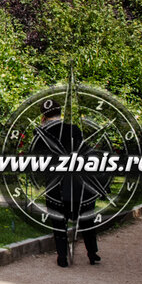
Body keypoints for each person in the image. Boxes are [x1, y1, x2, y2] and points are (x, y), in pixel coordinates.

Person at [34, 101, 103, 267]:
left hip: (55, 181)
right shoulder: (74, 130)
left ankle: (62, 257)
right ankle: (92, 253)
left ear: (43, 116)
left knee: (58, 219)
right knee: (86, 217)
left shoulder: (41, 133)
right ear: (60, 113)